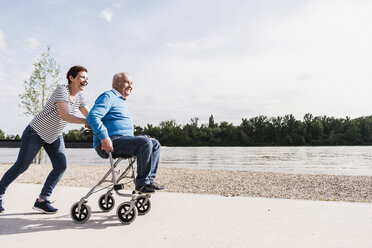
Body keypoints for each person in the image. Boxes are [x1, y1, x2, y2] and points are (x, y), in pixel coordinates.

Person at [0, 65, 90, 214]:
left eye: (87, 78)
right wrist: (86, 122)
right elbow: (65, 116)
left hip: (54, 135)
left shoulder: (80, 96)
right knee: (21, 166)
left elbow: (90, 115)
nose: (85, 80)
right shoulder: (62, 91)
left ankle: (42, 200)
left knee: (61, 166)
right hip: (36, 132)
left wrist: (101, 123)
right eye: (82, 77)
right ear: (71, 78)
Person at [87, 72, 164, 194]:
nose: (130, 86)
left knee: (155, 143)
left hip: (123, 140)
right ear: (116, 83)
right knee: (144, 142)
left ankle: (149, 181)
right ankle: (142, 184)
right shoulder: (109, 96)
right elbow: (92, 117)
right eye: (127, 82)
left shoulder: (121, 101)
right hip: (109, 141)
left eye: (131, 83)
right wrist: (104, 137)